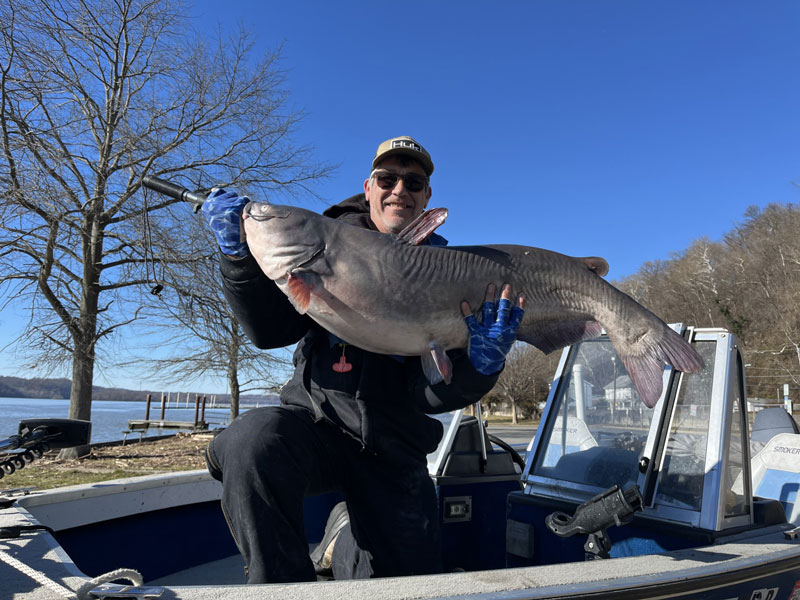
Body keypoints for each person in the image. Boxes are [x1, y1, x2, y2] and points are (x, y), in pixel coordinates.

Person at [202, 136, 524, 583]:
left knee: (410, 585)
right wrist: (238, 261)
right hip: (316, 425)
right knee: (249, 441)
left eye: (413, 182)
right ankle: (281, 592)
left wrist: (481, 366)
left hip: (396, 445)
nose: (399, 191)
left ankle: (344, 539)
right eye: (387, 179)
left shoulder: (450, 275)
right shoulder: (318, 243)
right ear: (368, 187)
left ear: (427, 197)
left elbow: (431, 395)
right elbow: (269, 332)